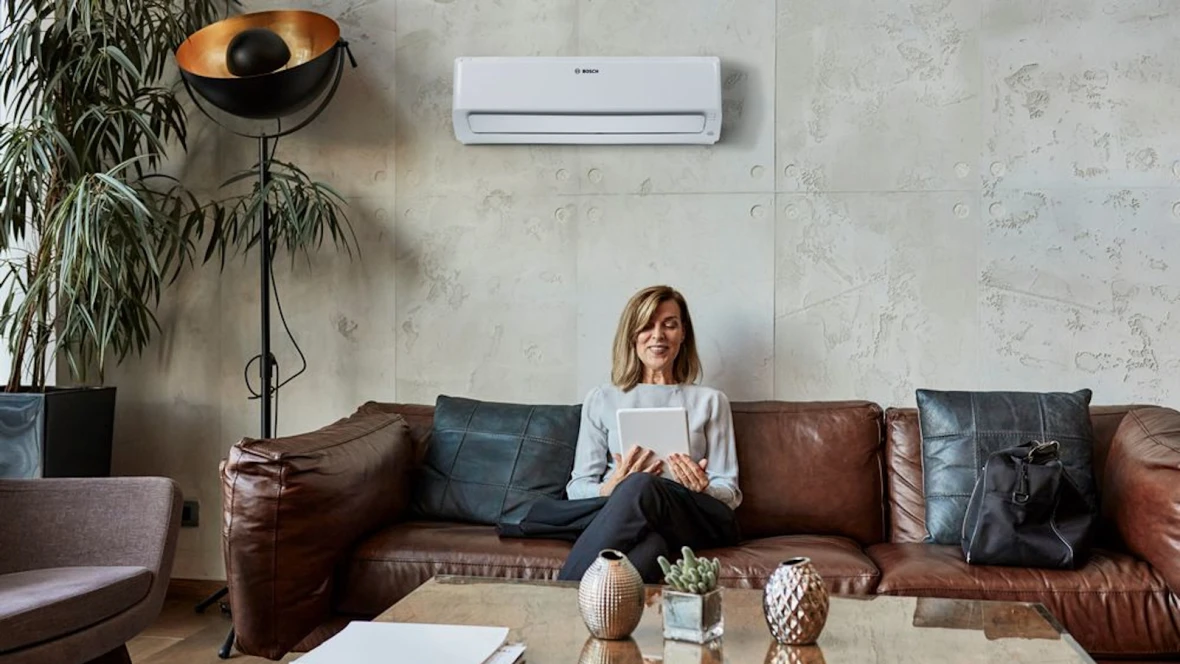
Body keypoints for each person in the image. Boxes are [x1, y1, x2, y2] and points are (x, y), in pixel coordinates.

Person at [558, 285, 742, 582]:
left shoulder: (711, 401)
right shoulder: (602, 398)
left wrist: (702, 487)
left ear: (683, 335)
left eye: (669, 325)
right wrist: (612, 486)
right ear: (632, 335)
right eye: (647, 326)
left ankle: (561, 596)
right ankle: (599, 617)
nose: (658, 335)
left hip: (691, 516)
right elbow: (577, 488)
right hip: (627, 517)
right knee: (651, 548)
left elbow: (731, 493)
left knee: (642, 484)